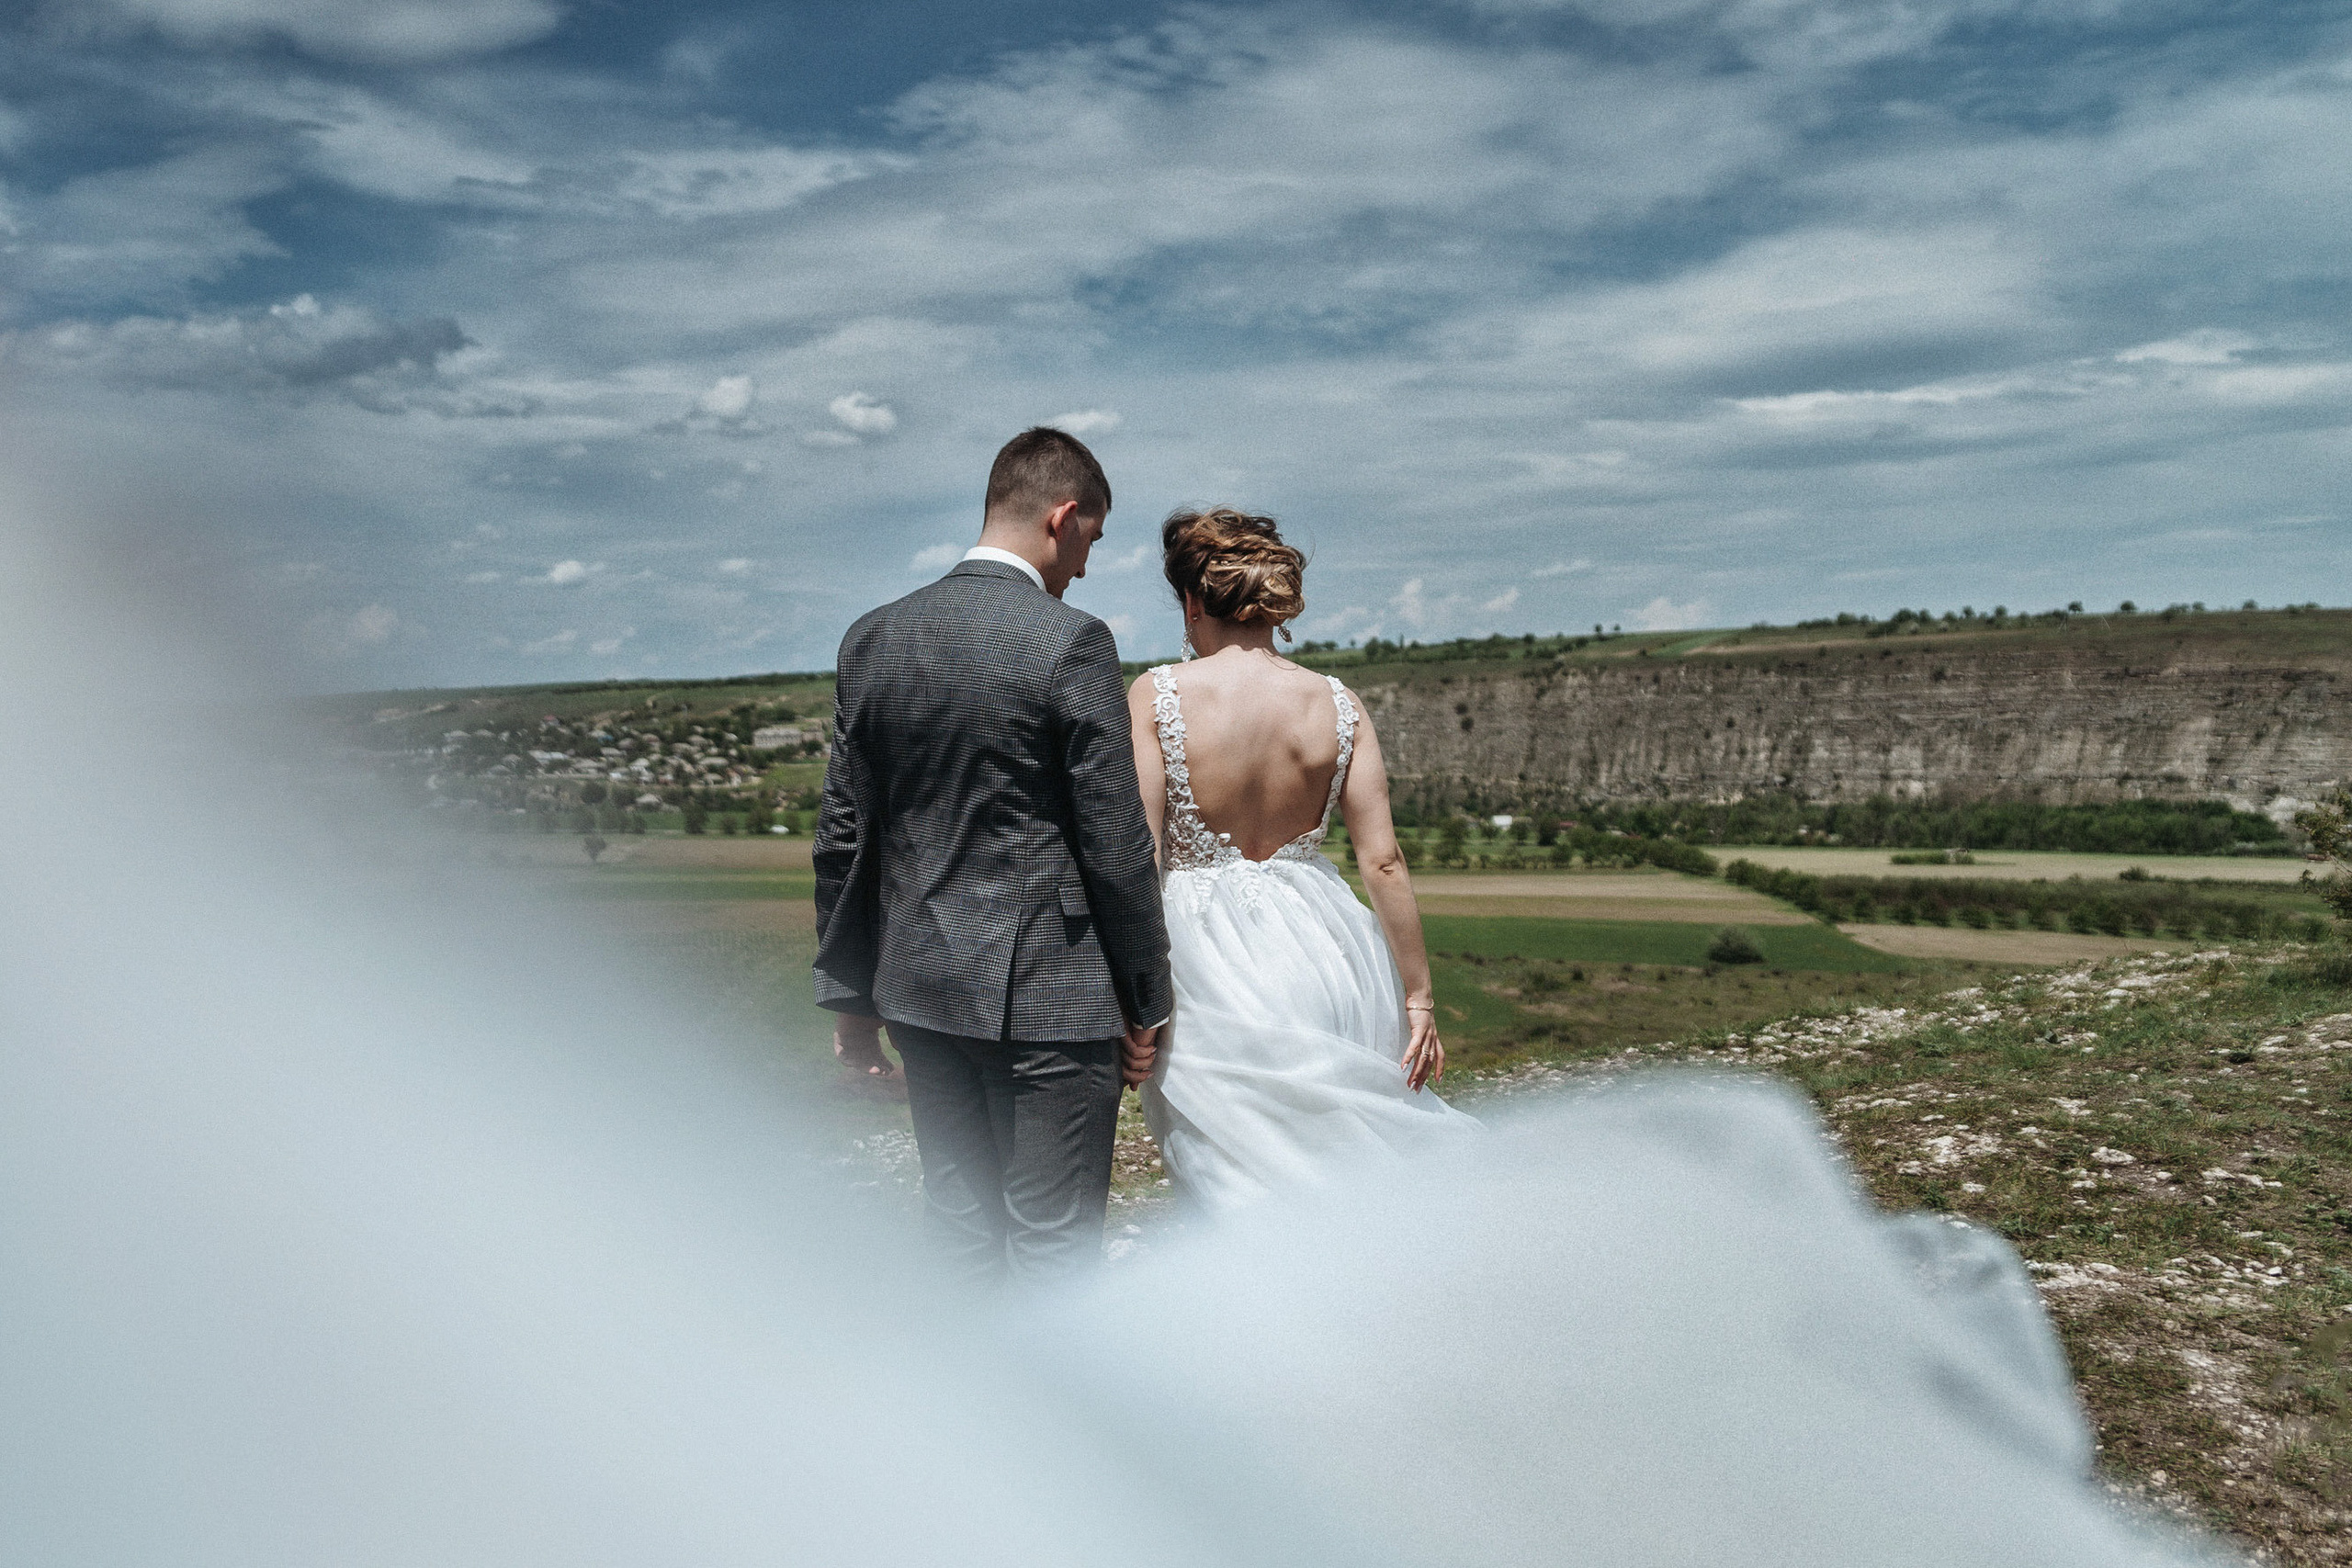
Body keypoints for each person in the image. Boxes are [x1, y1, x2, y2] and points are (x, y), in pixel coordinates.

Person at [814, 428, 1173, 1284]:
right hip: (1050, 997)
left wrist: (852, 1004)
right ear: (1064, 515)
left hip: (919, 990)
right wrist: (1145, 1000)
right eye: (1090, 540)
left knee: (960, 1231)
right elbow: (1117, 847)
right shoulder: (1071, 641)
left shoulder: (872, 637)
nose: (1085, 567)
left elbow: (841, 841)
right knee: (1053, 1249)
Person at [1130, 508, 1476, 1211]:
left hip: (1204, 965)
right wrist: (1418, 995)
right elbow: (1383, 862)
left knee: (1232, 1176)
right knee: (1346, 1162)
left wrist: (1132, 1004)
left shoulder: (1158, 694)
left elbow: (1141, 852)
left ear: (1195, 601)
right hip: (1328, 952)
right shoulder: (1338, 703)